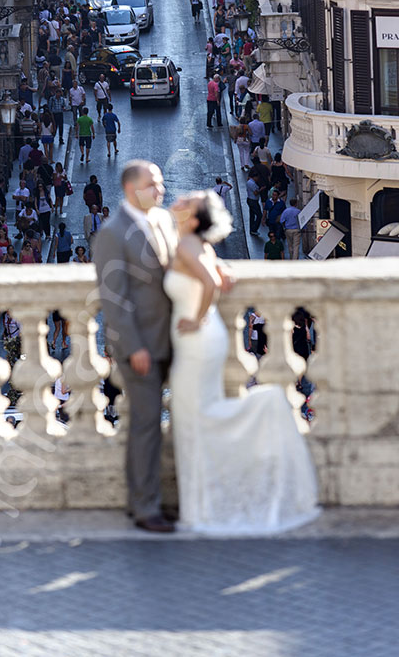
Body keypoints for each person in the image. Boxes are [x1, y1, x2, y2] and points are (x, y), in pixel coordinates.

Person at [166, 190, 319, 533]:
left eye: (185, 203)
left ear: (193, 219)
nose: (177, 201)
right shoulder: (198, 245)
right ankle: (205, 502)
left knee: (197, 416)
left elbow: (207, 283)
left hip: (196, 338)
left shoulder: (186, 244)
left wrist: (196, 317)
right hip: (208, 337)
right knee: (200, 414)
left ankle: (267, 407)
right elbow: (217, 276)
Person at [93, 160, 178, 533]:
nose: (160, 191)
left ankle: (157, 498)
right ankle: (145, 507)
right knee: (145, 427)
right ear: (132, 190)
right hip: (141, 347)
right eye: (153, 185)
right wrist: (134, 347)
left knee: (161, 425)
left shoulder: (161, 220)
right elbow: (115, 299)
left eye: (159, 184)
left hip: (171, 341)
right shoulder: (113, 233)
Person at [246, 169, 262, 236]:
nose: (258, 179)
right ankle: (254, 228)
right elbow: (255, 193)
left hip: (252, 200)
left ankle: (252, 229)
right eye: (257, 177)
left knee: (252, 215)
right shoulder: (251, 183)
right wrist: (261, 190)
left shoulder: (250, 182)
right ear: (254, 177)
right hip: (253, 201)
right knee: (259, 215)